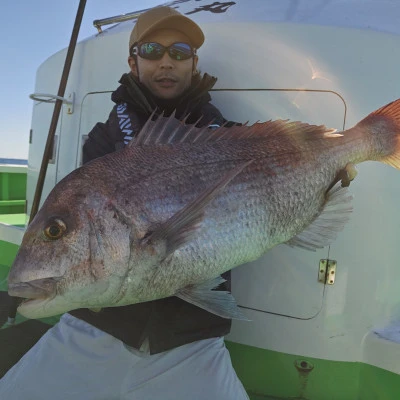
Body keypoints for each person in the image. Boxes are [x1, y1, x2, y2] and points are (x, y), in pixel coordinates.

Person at [0, 6, 249, 400]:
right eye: (152, 50)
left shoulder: (232, 140)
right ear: (133, 62)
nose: (166, 62)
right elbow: (85, 239)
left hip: (192, 341)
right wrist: (18, 292)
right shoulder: (103, 142)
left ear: (194, 63)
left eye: (179, 52)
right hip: (97, 328)